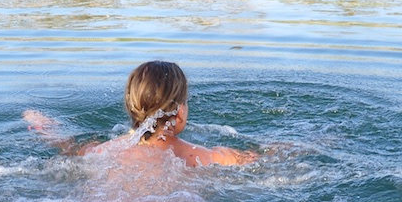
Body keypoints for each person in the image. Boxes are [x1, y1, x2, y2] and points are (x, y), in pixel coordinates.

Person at [23, 60, 255, 167]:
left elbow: (68, 147)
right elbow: (259, 161)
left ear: (131, 107)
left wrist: (44, 126)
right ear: (180, 113)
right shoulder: (205, 157)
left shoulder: (101, 151)